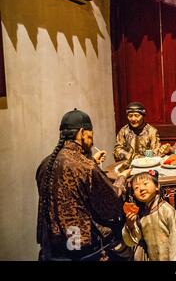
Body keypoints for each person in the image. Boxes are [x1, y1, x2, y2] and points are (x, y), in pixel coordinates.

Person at [36, 108, 132, 261]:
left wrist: (92, 161)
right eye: (90, 135)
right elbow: (111, 205)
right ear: (81, 133)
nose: (92, 140)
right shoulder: (84, 166)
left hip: (54, 247)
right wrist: (121, 178)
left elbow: (70, 187)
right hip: (82, 248)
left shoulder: (46, 163)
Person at [122, 169, 176, 261]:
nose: (141, 189)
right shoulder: (141, 215)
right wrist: (130, 225)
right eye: (136, 188)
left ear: (157, 186)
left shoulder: (167, 211)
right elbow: (132, 242)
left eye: (145, 184)